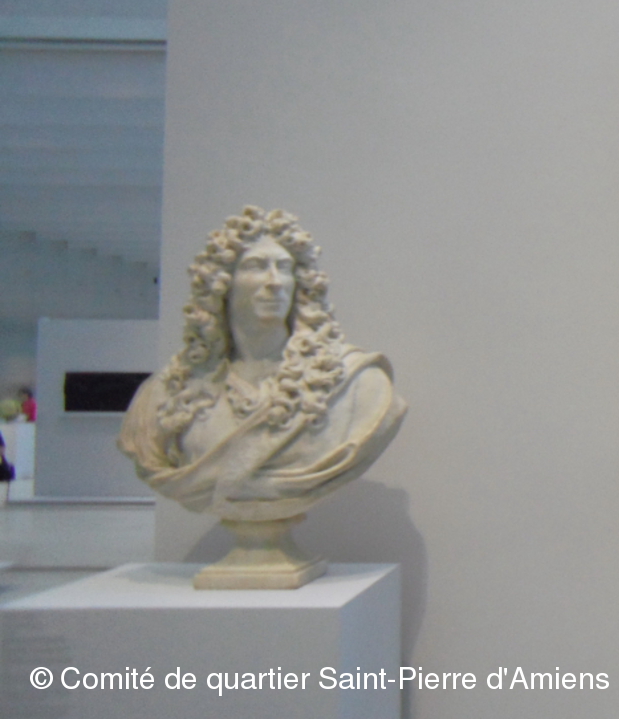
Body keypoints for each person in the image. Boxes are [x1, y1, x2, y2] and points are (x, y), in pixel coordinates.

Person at [119, 207, 407, 522]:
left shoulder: (357, 384)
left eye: (284, 268)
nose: (275, 282)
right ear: (222, 284)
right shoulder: (167, 394)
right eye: (256, 266)